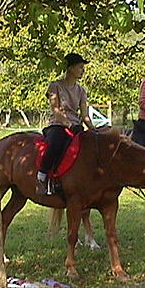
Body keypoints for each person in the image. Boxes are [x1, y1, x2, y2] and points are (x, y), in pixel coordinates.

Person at [36, 53, 94, 195]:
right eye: (80, 67)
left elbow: (85, 115)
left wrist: (93, 130)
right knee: (56, 143)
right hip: (58, 124)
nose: (83, 71)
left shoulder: (81, 91)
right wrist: (68, 124)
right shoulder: (55, 86)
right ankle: (42, 177)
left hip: (75, 126)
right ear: (71, 68)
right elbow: (55, 110)